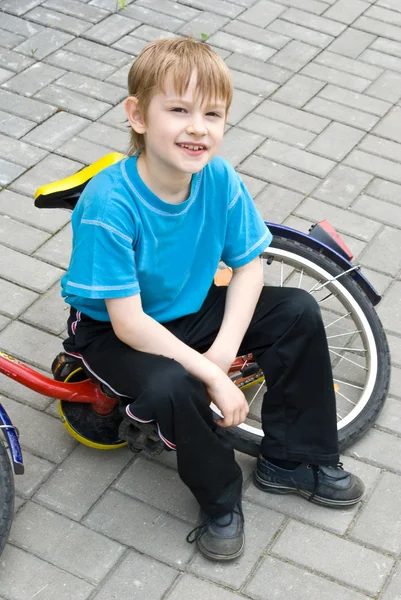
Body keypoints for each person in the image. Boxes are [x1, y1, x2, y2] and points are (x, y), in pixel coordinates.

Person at [61, 37, 365, 562]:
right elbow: (129, 323)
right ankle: (221, 499)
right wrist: (211, 377)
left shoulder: (218, 178)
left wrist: (221, 354)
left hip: (189, 310)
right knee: (176, 384)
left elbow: (248, 265)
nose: (198, 127)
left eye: (212, 113)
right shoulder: (109, 203)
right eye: (178, 109)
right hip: (117, 331)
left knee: (296, 311)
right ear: (137, 115)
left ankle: (293, 459)